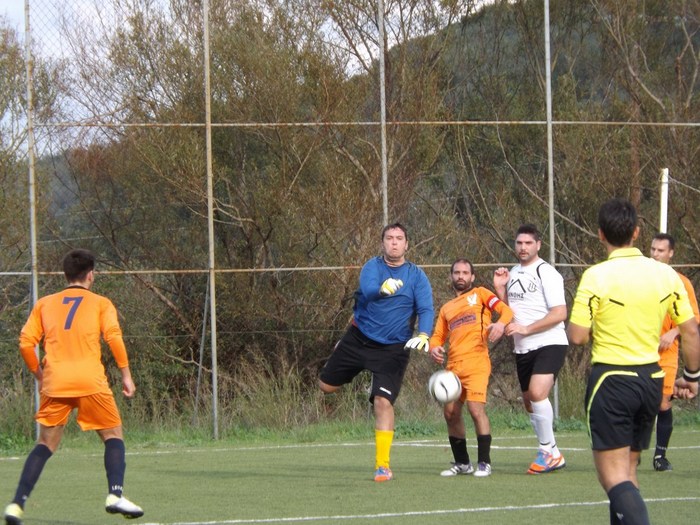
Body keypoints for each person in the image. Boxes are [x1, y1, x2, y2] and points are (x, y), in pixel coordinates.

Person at [568, 198, 700, 525]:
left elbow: (577, 336)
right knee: (628, 473)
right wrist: (692, 377)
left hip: (612, 380)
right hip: (651, 381)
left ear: (600, 234)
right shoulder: (668, 276)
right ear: (637, 233)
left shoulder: (596, 276)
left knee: (613, 478)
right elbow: (691, 331)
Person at [4, 249, 144, 525]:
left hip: (55, 381)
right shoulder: (101, 303)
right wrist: (126, 375)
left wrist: (39, 375)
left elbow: (25, 343)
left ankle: (16, 505)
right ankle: (115, 494)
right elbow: (113, 337)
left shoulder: (45, 303)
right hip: (90, 381)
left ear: (65, 275)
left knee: (45, 443)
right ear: (91, 275)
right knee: (113, 435)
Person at [319, 223, 434, 482]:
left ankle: (382, 466)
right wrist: (381, 290)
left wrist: (424, 334)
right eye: (389, 238)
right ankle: (346, 357)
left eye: (399, 238)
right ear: (382, 243)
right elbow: (369, 289)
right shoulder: (372, 267)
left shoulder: (417, 276)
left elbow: (426, 309)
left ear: (407, 244)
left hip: (393, 349)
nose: (394, 242)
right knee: (325, 387)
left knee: (383, 402)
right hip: (359, 339)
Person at [493, 224, 568, 474]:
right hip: (523, 347)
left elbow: (560, 313)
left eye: (528, 243)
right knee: (529, 403)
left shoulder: (547, 272)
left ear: (538, 245)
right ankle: (554, 453)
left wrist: (527, 329)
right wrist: (500, 289)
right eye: (519, 243)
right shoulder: (513, 273)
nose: (523, 247)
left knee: (537, 393)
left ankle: (546, 452)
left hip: (550, 342)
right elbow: (509, 312)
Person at [428, 259, 513, 478]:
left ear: (472, 277)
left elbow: (505, 311)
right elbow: (437, 336)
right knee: (450, 413)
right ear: (451, 276)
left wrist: (501, 324)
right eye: (457, 272)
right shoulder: (447, 308)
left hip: (477, 362)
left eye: (465, 272)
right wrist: (434, 348)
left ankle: (484, 463)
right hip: (453, 367)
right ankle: (462, 463)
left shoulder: (481, 294)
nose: (461, 276)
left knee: (476, 410)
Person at [649, 232, 700, 471]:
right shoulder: (640, 279)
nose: (655, 254)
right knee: (634, 402)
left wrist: (673, 332)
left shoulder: (681, 282)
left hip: (666, 354)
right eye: (653, 249)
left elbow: (693, 319)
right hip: (638, 351)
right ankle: (631, 451)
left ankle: (660, 456)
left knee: (662, 403)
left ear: (671, 253)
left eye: (660, 250)